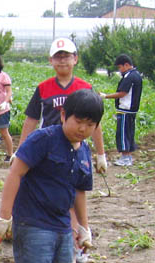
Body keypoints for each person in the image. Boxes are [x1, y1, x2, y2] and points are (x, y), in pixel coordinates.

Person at [0, 89, 103, 263]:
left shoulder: (84, 152)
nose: (83, 129)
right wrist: (3, 216)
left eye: (90, 124)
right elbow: (15, 172)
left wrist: (83, 227)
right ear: (63, 115)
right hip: (33, 222)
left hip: (62, 226)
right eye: (78, 121)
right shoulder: (43, 139)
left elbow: (79, 192)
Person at [19, 38, 108, 175]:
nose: (62, 61)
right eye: (57, 57)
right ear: (51, 60)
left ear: (75, 59)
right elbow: (31, 120)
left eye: (66, 56)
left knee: (75, 187)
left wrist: (101, 154)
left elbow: (95, 123)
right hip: (47, 147)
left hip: (76, 147)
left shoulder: (85, 88)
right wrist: (20, 151)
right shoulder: (43, 88)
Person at [100, 54, 143, 167]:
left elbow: (123, 93)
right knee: (128, 133)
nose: (120, 70)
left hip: (126, 110)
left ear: (126, 65)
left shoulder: (129, 77)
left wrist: (106, 96)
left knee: (123, 134)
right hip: (131, 110)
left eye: (120, 67)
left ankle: (126, 157)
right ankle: (127, 156)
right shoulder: (136, 75)